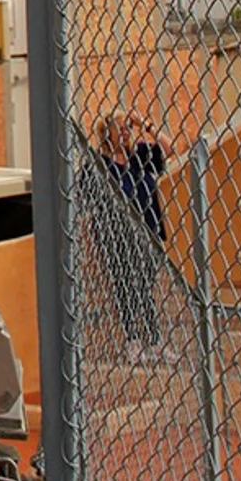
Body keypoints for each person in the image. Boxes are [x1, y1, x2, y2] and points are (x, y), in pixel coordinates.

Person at [92, 109, 172, 356]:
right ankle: (133, 339)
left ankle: (154, 339)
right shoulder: (100, 165)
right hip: (118, 235)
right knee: (125, 283)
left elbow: (170, 148)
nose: (126, 131)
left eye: (127, 127)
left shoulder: (138, 155)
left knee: (145, 285)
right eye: (120, 127)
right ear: (107, 134)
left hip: (148, 230)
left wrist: (144, 124)